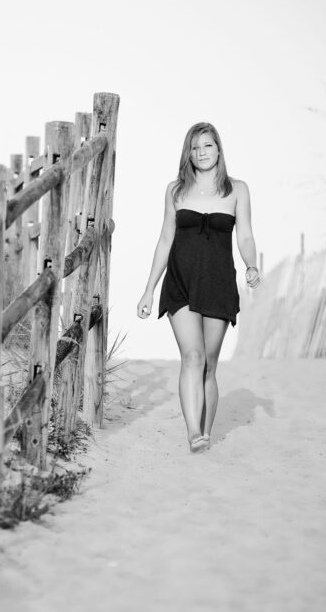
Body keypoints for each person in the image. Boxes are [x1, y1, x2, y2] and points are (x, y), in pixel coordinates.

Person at [136, 122, 260, 453]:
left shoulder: (238, 190)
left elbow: (245, 235)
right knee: (191, 356)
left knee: (208, 364)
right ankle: (193, 431)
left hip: (218, 283)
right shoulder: (175, 190)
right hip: (181, 281)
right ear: (187, 155)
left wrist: (251, 265)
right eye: (194, 148)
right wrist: (149, 289)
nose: (201, 152)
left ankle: (205, 431)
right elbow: (165, 240)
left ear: (219, 149)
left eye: (207, 145)